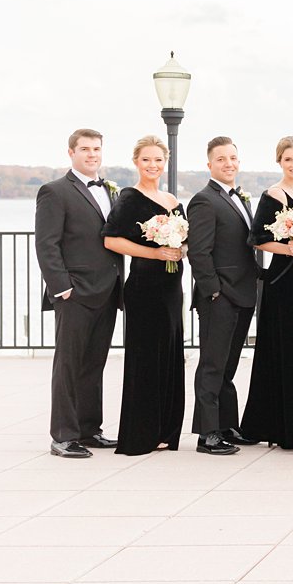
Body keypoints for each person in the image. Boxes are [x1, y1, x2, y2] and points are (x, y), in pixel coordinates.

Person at [34, 128, 124, 458]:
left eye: (97, 149)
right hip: (75, 294)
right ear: (71, 153)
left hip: (108, 290)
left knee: (94, 364)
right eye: (85, 149)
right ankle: (63, 435)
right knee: (69, 364)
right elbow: (46, 244)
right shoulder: (55, 191)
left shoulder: (111, 192)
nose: (92, 155)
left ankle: (89, 429)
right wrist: (62, 288)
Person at [100, 136, 186, 456]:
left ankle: (165, 430)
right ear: (136, 161)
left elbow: (184, 241)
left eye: (158, 160)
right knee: (147, 360)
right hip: (145, 288)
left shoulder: (173, 200)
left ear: (166, 162)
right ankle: (142, 433)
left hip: (171, 289)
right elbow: (111, 240)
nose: (153, 165)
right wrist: (155, 253)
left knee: (170, 357)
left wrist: (180, 250)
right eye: (146, 159)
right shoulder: (129, 198)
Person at [242, 136, 293, 450]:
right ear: (279, 162)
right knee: (280, 351)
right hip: (282, 281)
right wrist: (287, 249)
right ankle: (275, 427)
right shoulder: (272, 195)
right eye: (289, 159)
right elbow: (256, 238)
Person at [186, 136, 261, 456]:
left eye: (233, 158)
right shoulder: (204, 200)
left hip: (243, 293)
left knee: (229, 365)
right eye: (221, 159)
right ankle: (207, 433)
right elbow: (199, 253)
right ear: (209, 165)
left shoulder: (240, 198)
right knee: (212, 365)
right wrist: (213, 291)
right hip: (220, 296)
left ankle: (227, 425)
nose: (228, 164)